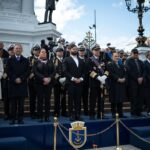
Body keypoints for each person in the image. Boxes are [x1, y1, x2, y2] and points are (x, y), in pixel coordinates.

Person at [7, 44, 29, 124]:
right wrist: (15, 78)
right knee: (13, 104)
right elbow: (8, 71)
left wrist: (21, 78)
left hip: (22, 85)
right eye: (16, 48)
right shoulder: (10, 60)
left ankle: (20, 119)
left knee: (21, 104)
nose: (18, 50)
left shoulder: (26, 60)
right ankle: (12, 119)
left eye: (19, 48)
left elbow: (27, 72)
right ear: (14, 50)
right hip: (13, 84)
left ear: (22, 50)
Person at [63, 43, 85, 121]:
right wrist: (73, 78)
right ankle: (71, 115)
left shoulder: (81, 60)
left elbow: (84, 71)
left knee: (78, 99)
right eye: (73, 49)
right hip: (71, 83)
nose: (75, 50)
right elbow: (65, 71)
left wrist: (81, 79)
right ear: (69, 50)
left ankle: (78, 114)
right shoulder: (66, 59)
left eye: (76, 49)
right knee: (71, 99)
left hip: (80, 83)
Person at [33, 48, 55, 122]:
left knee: (47, 101)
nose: (44, 53)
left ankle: (47, 116)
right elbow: (35, 72)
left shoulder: (50, 61)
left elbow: (53, 72)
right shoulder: (36, 62)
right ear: (39, 53)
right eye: (42, 52)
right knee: (40, 100)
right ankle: (40, 117)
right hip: (39, 84)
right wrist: (43, 79)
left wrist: (49, 79)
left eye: (45, 52)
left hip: (49, 84)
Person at [88, 44, 108, 120]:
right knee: (93, 99)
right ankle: (92, 114)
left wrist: (105, 76)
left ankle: (101, 114)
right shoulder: (89, 60)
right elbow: (89, 71)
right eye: (96, 50)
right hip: (94, 82)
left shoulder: (102, 60)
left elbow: (106, 70)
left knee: (101, 99)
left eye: (98, 50)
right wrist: (98, 77)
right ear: (92, 51)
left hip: (102, 83)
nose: (98, 51)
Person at [126, 48, 144, 117]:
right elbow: (129, 71)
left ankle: (139, 112)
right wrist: (137, 78)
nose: (136, 54)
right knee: (134, 98)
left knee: (140, 97)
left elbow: (144, 71)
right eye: (134, 53)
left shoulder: (140, 62)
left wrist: (142, 77)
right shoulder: (128, 61)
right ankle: (133, 112)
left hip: (141, 82)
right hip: (133, 83)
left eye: (137, 53)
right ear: (131, 53)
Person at [107, 52, 126, 118]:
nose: (117, 57)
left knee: (120, 100)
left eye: (117, 56)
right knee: (114, 100)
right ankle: (113, 113)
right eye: (115, 56)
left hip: (121, 84)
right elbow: (111, 74)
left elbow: (125, 73)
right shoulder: (110, 65)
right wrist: (118, 79)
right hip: (114, 85)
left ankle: (120, 113)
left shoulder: (121, 65)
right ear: (112, 57)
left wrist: (124, 78)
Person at [53, 47, 67, 117]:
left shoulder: (65, 60)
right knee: (57, 98)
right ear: (56, 53)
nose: (60, 53)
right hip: (56, 82)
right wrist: (59, 78)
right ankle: (56, 112)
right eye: (59, 52)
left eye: (61, 52)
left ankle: (64, 112)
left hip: (64, 82)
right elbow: (53, 71)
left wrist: (65, 78)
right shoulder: (53, 60)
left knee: (64, 97)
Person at [28, 45, 40, 119]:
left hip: (40, 81)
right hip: (32, 81)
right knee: (32, 98)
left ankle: (39, 113)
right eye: (35, 50)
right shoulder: (29, 58)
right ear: (32, 51)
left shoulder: (42, 58)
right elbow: (26, 68)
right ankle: (32, 113)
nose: (37, 51)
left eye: (38, 50)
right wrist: (29, 74)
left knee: (40, 98)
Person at [3, 45, 14, 120]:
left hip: (14, 83)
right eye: (10, 50)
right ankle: (7, 114)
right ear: (8, 51)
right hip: (6, 82)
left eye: (13, 49)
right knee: (6, 100)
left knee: (14, 100)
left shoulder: (17, 59)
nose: (12, 51)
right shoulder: (4, 60)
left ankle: (13, 114)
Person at [78, 45, 89, 115]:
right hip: (78, 81)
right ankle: (78, 111)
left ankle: (86, 111)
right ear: (78, 52)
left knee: (85, 97)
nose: (82, 52)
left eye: (83, 51)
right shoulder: (76, 59)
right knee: (78, 98)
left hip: (86, 81)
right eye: (80, 51)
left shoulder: (88, 59)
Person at [143, 51, 150, 116]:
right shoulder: (145, 63)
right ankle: (148, 110)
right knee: (148, 98)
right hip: (147, 83)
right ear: (147, 56)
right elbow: (145, 74)